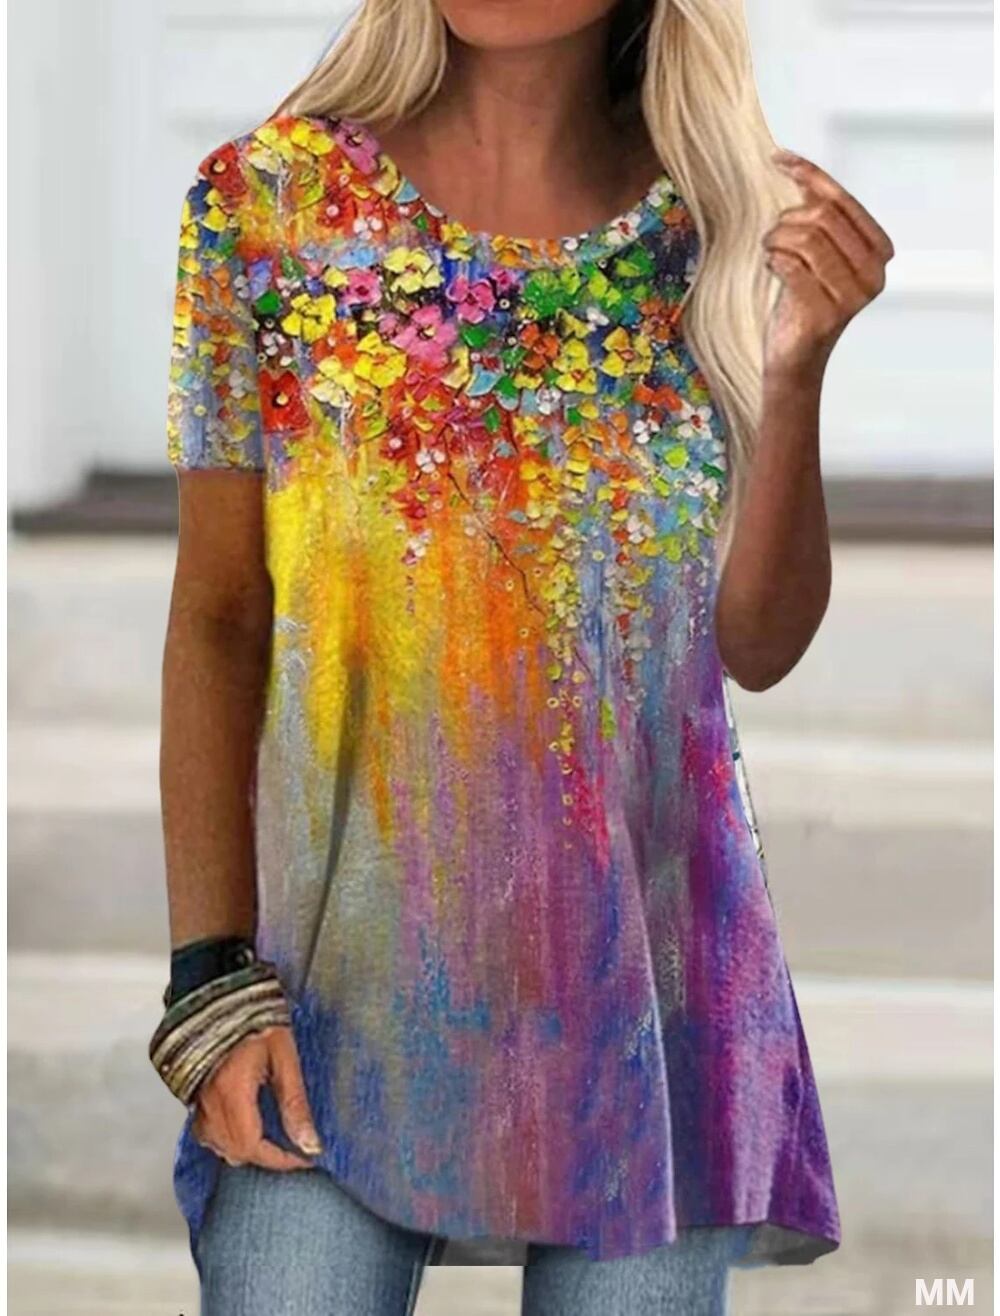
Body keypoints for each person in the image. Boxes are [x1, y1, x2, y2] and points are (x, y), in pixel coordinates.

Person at [151, 0, 894, 1311]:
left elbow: (759, 644)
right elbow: (220, 614)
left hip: (652, 1014)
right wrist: (210, 979)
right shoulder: (266, 207)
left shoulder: (721, 223)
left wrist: (797, 376)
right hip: (338, 1000)